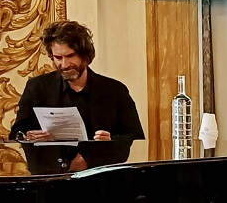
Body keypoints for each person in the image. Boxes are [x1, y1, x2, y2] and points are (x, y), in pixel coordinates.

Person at [11, 20, 143, 172]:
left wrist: (110, 141)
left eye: (70, 56)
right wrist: (29, 136)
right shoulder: (37, 87)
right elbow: (17, 133)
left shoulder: (114, 90)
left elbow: (132, 136)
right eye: (58, 58)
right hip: (50, 180)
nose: (64, 64)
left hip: (101, 182)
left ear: (85, 55)